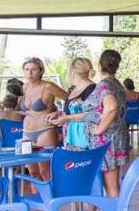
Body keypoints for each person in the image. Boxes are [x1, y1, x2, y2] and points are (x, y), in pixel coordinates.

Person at [49, 49, 127, 197]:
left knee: (110, 186)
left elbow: (111, 107)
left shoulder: (103, 86)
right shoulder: (116, 84)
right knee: (112, 185)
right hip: (117, 137)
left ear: (99, 65)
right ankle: (112, 210)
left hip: (106, 140)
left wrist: (99, 129)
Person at [19, 57, 67, 180]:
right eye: (26, 69)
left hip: (45, 131)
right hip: (26, 132)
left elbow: (71, 99)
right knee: (32, 173)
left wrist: (59, 112)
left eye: (33, 69)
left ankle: (51, 193)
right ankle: (37, 193)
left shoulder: (48, 86)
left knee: (46, 172)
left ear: (41, 71)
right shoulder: (25, 87)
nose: (29, 73)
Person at [62, 57, 96, 150]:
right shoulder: (73, 89)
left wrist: (67, 118)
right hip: (72, 137)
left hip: (86, 139)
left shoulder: (92, 89)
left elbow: (93, 114)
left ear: (72, 72)